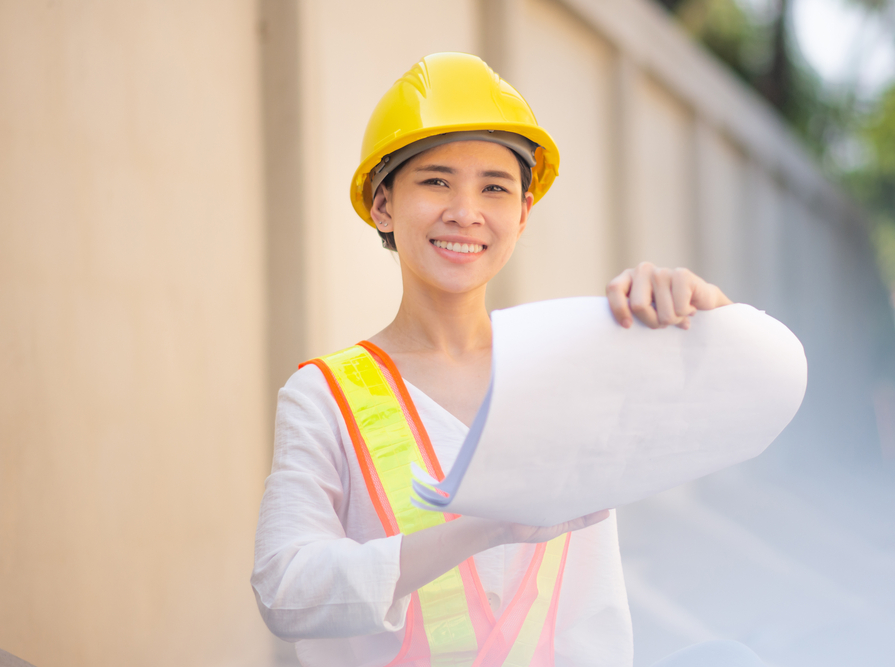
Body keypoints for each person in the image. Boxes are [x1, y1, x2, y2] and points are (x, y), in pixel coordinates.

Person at [251, 53, 760, 667]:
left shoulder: (573, 366)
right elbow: (285, 590)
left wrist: (696, 316)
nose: (466, 210)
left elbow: (730, 399)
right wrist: (488, 525)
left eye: (494, 187)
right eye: (436, 180)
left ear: (522, 213)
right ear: (383, 205)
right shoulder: (324, 395)